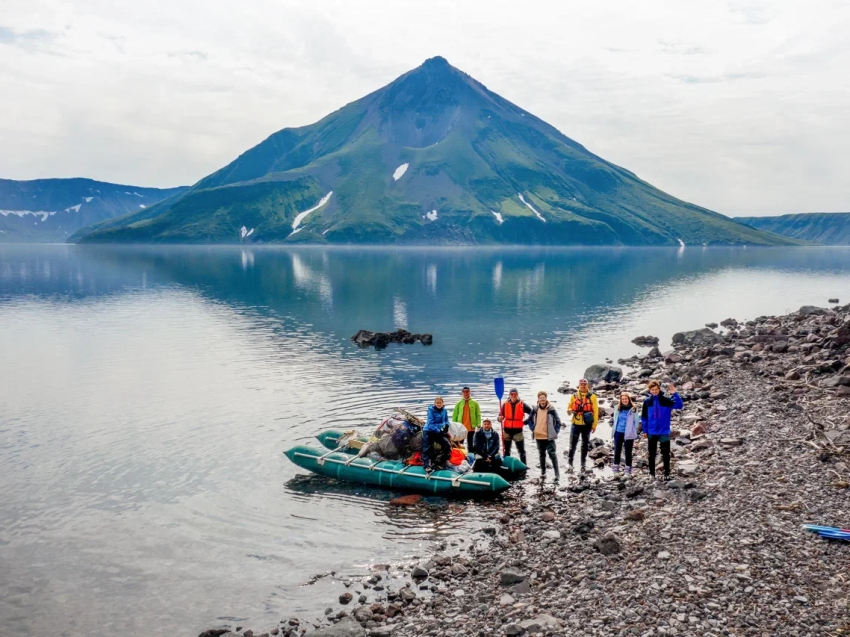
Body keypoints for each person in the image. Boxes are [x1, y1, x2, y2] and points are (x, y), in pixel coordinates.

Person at [640, 380, 684, 481]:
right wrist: (645, 431)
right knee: (651, 453)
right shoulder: (647, 402)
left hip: (664, 431)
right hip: (652, 432)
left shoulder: (666, 400)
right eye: (652, 390)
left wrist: (674, 393)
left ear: (659, 389)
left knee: (666, 453)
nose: (654, 391)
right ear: (650, 390)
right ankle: (651, 474)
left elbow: (679, 405)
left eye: (656, 389)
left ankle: (667, 474)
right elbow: (644, 417)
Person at [527, 391, 562, 484]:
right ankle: (543, 472)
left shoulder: (551, 409)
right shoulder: (535, 409)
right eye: (540, 398)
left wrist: (555, 432)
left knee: (552, 455)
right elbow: (529, 420)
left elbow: (558, 422)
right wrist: (533, 429)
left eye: (543, 397)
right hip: (539, 436)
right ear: (538, 399)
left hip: (549, 437)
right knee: (541, 455)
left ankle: (557, 474)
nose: (542, 399)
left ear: (546, 398)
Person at [567, 378, 598, 475]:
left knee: (584, 445)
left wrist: (594, 425)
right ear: (579, 385)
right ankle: (570, 463)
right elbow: (569, 406)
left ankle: (583, 464)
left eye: (584, 384)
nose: (583, 386)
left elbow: (596, 411)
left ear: (587, 386)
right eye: (581, 384)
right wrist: (569, 410)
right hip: (575, 423)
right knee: (572, 445)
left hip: (586, 425)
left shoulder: (592, 397)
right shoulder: (574, 396)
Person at [498, 388, 532, 465]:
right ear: (509, 395)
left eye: (515, 394)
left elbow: (533, 413)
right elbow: (500, 416)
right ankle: (506, 465)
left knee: (521, 451)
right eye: (512, 394)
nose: (513, 396)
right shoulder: (505, 405)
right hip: (507, 431)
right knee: (507, 451)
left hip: (518, 432)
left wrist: (526, 422)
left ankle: (524, 466)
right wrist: (499, 418)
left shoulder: (523, 405)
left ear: (517, 395)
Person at [611, 392, 639, 475]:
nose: (624, 400)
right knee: (617, 451)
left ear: (629, 399)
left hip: (629, 433)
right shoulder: (617, 408)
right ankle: (615, 470)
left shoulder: (633, 409)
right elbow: (615, 419)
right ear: (621, 400)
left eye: (626, 399)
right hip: (618, 432)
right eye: (622, 399)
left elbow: (636, 421)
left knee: (628, 452)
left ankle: (628, 471)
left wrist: (632, 429)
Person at [423, 397, 451, 476]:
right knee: (427, 448)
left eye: (440, 403)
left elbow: (446, 420)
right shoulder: (431, 410)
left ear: (442, 403)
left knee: (447, 445)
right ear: (435, 403)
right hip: (429, 431)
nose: (439, 404)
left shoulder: (444, 410)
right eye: (437, 403)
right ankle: (427, 466)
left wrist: (446, 426)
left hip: (439, 431)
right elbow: (430, 424)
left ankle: (439, 461)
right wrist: (439, 431)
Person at [452, 387, 481, 451]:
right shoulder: (458, 403)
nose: (465, 393)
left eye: (467, 392)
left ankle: (470, 456)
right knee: (459, 444)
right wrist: (454, 426)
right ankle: (460, 457)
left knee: (470, 444)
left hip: (471, 427)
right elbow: (455, 415)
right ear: (462, 393)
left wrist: (478, 425)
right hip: (460, 428)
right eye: (464, 392)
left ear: (470, 392)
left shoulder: (475, 403)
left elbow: (478, 414)